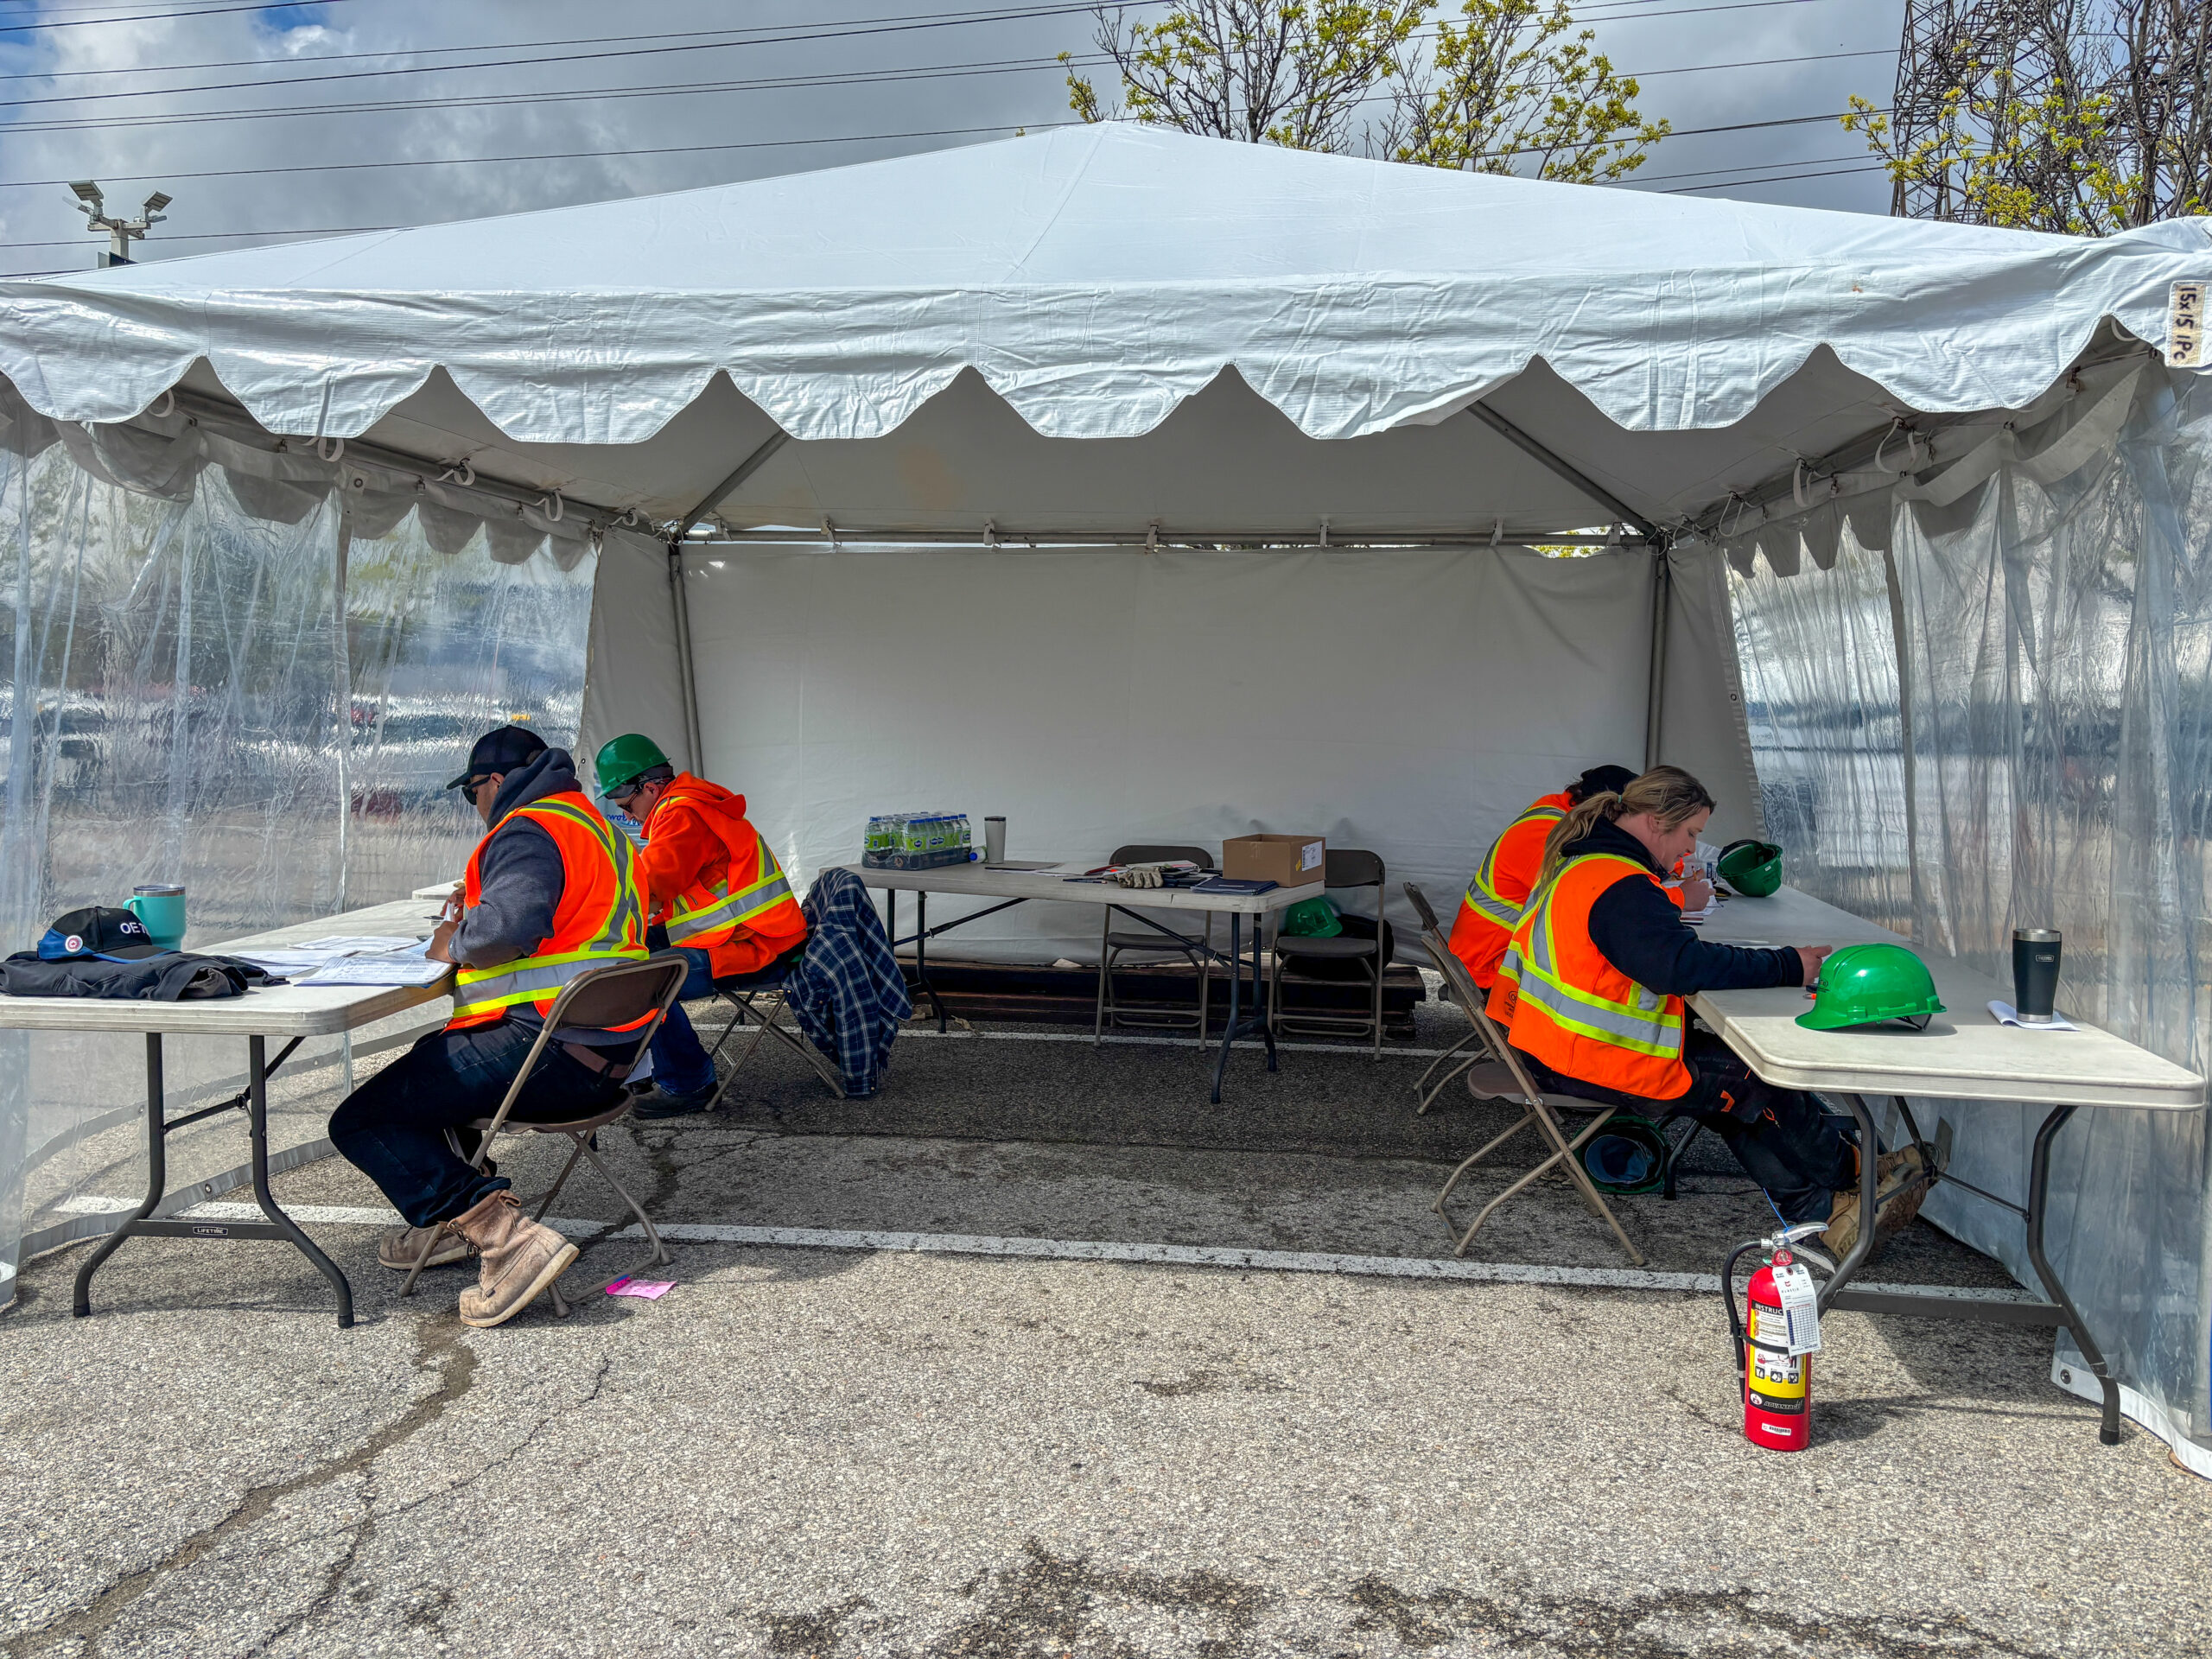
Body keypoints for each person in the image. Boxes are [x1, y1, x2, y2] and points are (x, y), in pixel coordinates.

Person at [1486, 765, 1924, 1256]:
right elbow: (1679, 967)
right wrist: (1788, 965)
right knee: (1755, 1079)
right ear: (1656, 821)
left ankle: (1823, 1212)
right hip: (1589, 1061)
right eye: (1690, 833)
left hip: (1555, 1049)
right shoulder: (1620, 885)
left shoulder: (1589, 866)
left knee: (1735, 1094)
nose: (1691, 849)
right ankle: (1857, 1179)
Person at [327, 725, 652, 1328]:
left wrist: (457, 938)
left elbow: (508, 930)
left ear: (496, 782)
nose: (473, 803)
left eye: (470, 790)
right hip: (611, 1054)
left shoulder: (531, 827)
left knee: (362, 1118)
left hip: (550, 1053)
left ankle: (500, 1233)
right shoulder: (595, 824)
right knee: (431, 1059)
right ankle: (449, 1224)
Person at [593, 734, 808, 1117]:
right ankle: (643, 1066)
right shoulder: (688, 805)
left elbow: (652, 885)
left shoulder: (681, 815)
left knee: (639, 980)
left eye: (628, 804)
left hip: (757, 947)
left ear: (651, 786)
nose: (627, 815)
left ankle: (688, 1084)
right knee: (623, 956)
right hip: (749, 935)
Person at [1450, 764, 1711, 989]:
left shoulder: (1557, 813)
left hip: (1499, 953)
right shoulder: (1546, 832)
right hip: (1489, 965)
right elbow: (1593, 900)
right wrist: (1680, 897)